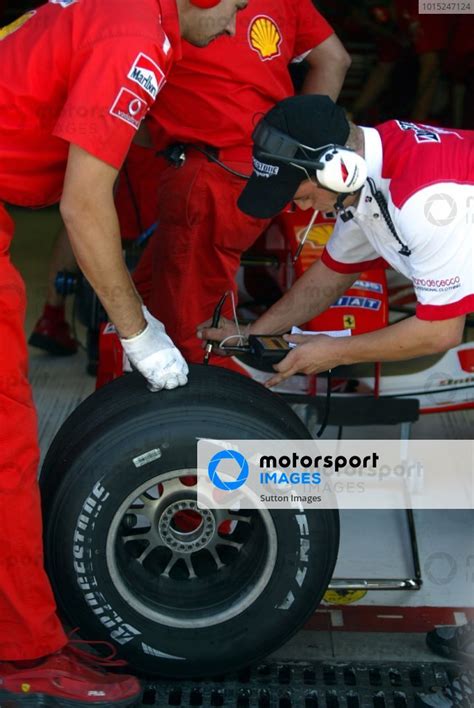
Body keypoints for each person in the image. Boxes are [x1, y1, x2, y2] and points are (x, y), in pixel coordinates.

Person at [0, 0, 247, 703]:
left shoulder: (120, 14)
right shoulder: (136, 38)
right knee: (5, 442)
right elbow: (84, 203)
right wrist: (138, 331)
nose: (234, 25)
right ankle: (20, 653)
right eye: (235, 6)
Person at [131, 0, 351, 372]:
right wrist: (293, 149)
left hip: (210, 172)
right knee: (146, 301)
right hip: (264, 169)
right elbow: (335, 59)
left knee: (193, 335)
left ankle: (222, 424)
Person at [197, 94, 473, 385]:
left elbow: (439, 331)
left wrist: (337, 352)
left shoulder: (424, 203)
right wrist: (251, 334)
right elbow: (330, 276)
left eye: (301, 196)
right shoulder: (373, 175)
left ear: (341, 171)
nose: (301, 208)